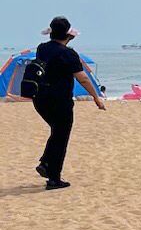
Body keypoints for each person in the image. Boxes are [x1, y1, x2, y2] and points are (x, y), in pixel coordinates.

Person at [32, 16, 106, 189]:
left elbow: (54, 50)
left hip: (40, 98)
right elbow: (83, 78)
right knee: (61, 135)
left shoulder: (42, 48)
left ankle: (45, 163)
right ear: (68, 35)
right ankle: (53, 178)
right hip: (59, 101)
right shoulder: (68, 54)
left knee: (57, 132)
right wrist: (96, 97)